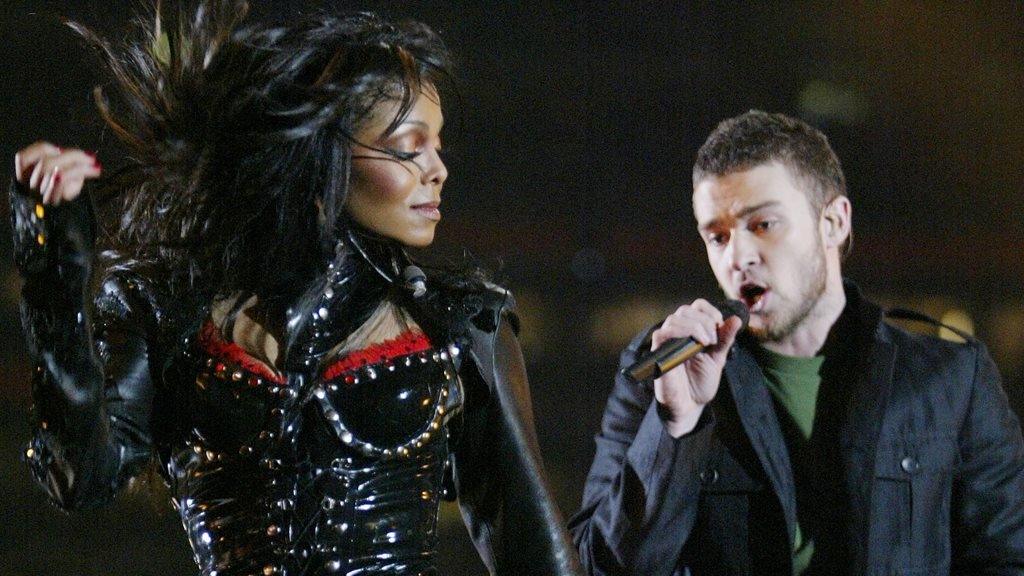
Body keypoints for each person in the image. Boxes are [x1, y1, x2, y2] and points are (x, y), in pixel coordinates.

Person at [9, 2, 581, 575]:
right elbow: (81, 479)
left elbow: (534, 552)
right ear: (318, 153)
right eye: (409, 147)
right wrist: (55, 272)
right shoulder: (168, 310)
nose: (438, 169)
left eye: (436, 145)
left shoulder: (460, 328)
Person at [569, 110, 1024, 575]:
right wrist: (675, 427)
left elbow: (1006, 558)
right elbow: (597, 567)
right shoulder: (664, 371)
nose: (738, 257)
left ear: (833, 223)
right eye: (717, 236)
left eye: (763, 224)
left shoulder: (949, 378)